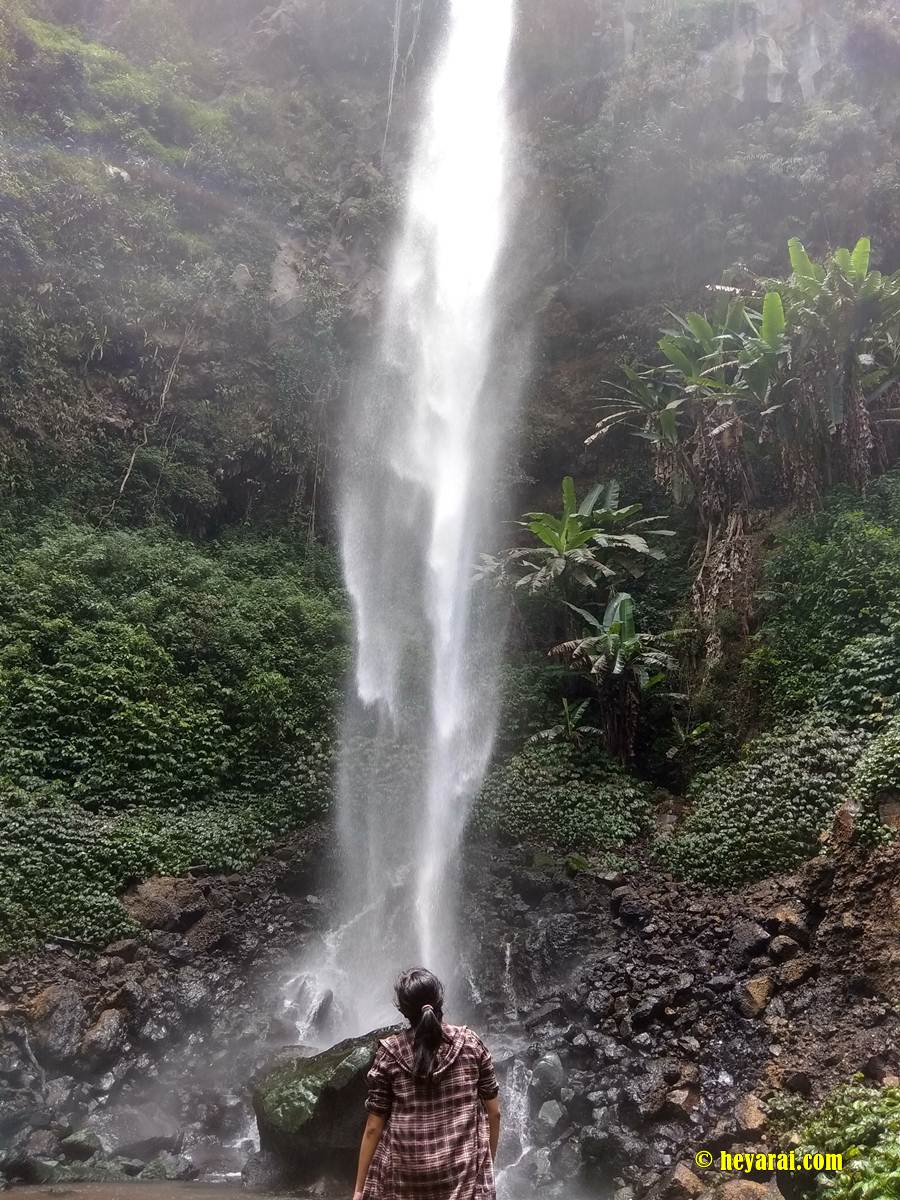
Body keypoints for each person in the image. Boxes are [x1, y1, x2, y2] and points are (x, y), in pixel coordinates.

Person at [353, 967, 502, 1200]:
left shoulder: (389, 1054)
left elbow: (374, 1126)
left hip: (406, 1180)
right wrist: (486, 1164)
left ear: (403, 1010)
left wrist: (359, 1190)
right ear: (439, 1000)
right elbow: (494, 1113)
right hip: (460, 1175)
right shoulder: (471, 1044)